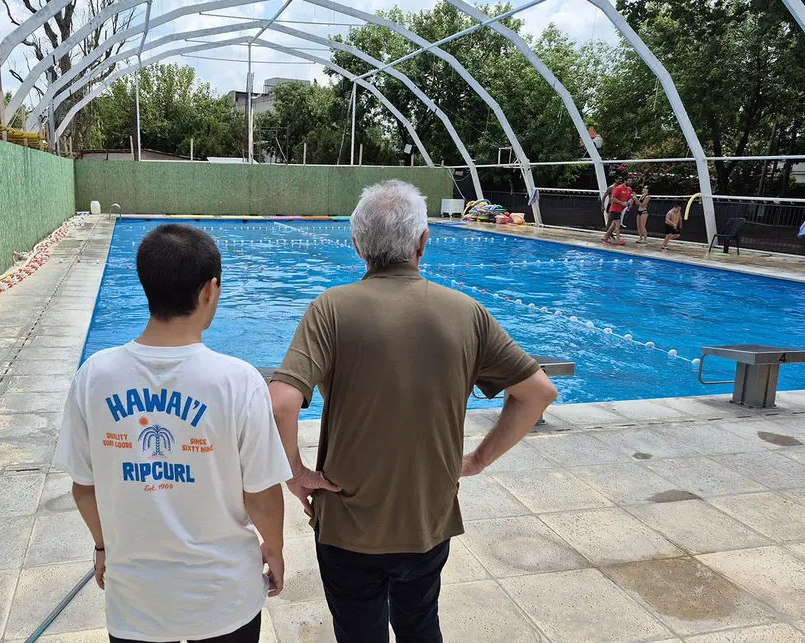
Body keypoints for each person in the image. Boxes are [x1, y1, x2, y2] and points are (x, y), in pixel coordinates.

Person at [268, 180, 559, 643]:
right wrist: (477, 461)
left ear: (357, 244)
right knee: (420, 624)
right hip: (427, 520)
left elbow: (281, 400)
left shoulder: (330, 309)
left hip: (347, 524)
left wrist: (295, 472)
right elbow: (538, 393)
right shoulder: (468, 313)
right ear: (424, 241)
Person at [54, 224, 292, 643]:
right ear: (209, 291)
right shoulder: (238, 381)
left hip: (135, 604)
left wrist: (103, 547)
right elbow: (262, 496)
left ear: (146, 284)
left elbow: (83, 488)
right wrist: (274, 549)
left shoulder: (94, 376)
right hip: (224, 599)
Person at [602, 176, 633, 245]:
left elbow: (629, 198)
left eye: (631, 181)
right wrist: (621, 203)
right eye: (629, 180)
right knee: (617, 224)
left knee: (613, 225)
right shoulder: (618, 188)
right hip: (615, 209)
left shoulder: (629, 189)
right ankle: (619, 240)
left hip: (621, 210)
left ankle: (605, 237)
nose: (630, 182)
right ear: (625, 181)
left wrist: (629, 204)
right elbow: (613, 198)